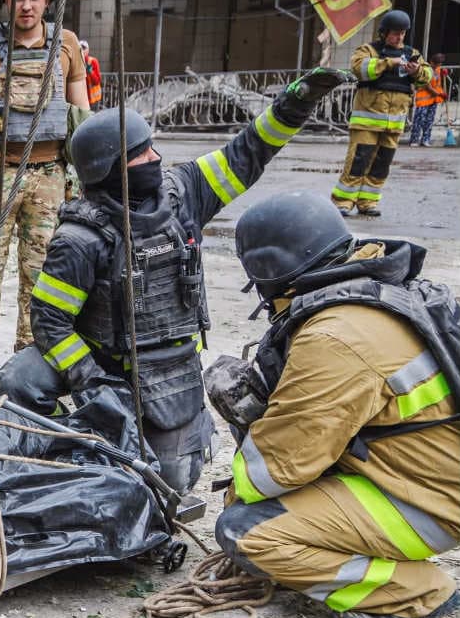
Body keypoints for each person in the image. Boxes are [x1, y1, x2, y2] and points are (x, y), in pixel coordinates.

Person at [28, 67, 352, 494]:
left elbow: (247, 153)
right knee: (22, 379)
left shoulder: (183, 195)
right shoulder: (80, 240)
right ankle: (51, 450)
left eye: (151, 149)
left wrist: (295, 105)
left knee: (169, 483)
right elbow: (49, 321)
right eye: (140, 154)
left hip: (170, 367)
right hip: (105, 366)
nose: (155, 159)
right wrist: (92, 382)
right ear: (108, 169)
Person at [215, 191, 459, 618]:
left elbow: (277, 467)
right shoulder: (382, 289)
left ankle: (415, 591)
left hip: (432, 501)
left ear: (270, 270)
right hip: (429, 472)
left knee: (247, 532)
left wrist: (236, 489)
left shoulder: (337, 336)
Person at [0, 0, 90, 387]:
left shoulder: (66, 44)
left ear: (48, 0)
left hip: (50, 177)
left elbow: (81, 115)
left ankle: (28, 359)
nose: (27, 6)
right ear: (5, 0)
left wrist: (89, 175)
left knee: (40, 276)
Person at [331, 9, 431, 216]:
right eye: (395, 33)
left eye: (402, 33)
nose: (399, 37)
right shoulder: (369, 50)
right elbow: (359, 69)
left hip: (394, 123)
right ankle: (343, 201)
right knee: (358, 161)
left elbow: (427, 76)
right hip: (367, 120)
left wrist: (417, 71)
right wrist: (388, 63)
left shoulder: (412, 54)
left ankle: (368, 202)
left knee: (381, 165)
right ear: (384, 33)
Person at [407, 53, 449, 146]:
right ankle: (414, 140)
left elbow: (437, 83)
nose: (438, 66)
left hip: (433, 100)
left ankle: (425, 140)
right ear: (431, 62)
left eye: (440, 64)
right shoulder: (425, 70)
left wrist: (443, 73)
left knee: (429, 121)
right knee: (419, 120)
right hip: (423, 100)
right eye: (436, 64)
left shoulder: (437, 69)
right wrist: (440, 94)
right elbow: (428, 87)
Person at [82, 39, 103, 110]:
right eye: (80, 48)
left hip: (93, 99)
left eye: (84, 48)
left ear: (88, 50)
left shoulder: (93, 61)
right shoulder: (76, 62)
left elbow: (97, 81)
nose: (82, 50)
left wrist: (91, 72)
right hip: (82, 97)